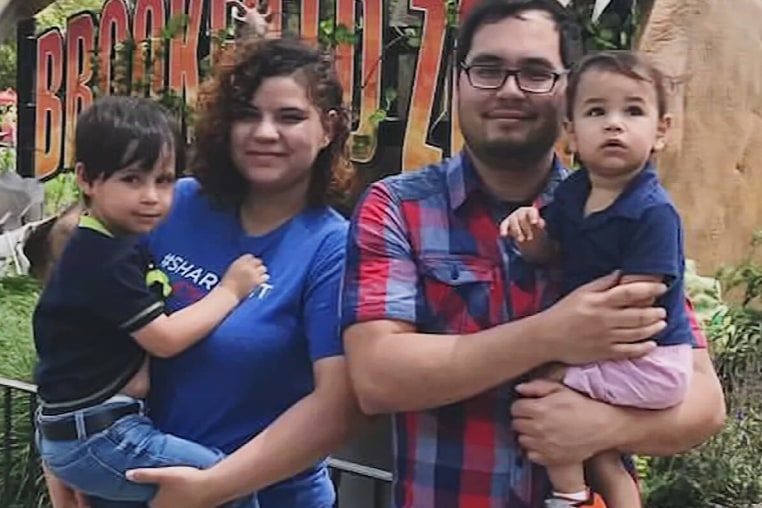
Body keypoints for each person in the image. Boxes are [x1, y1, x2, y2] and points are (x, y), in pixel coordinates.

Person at [340, 0, 726, 507]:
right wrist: (552, 334)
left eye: (536, 73)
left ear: (568, 94)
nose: (509, 90)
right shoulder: (397, 208)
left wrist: (605, 425)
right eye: (488, 69)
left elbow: (704, 402)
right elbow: (378, 378)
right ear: (458, 81)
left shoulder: (621, 209)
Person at [42, 31, 362, 508]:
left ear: (329, 128)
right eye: (248, 114)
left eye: (290, 116)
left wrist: (214, 487)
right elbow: (75, 317)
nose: (265, 132)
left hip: (260, 496)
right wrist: (62, 452)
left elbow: (337, 408)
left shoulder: (332, 249)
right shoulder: (170, 203)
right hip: (127, 482)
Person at [33, 96, 265, 508]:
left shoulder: (112, 242)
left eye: (164, 180)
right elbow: (165, 339)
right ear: (86, 179)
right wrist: (230, 290)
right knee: (226, 483)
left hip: (87, 429)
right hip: (100, 436)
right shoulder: (102, 258)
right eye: (131, 180)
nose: (151, 197)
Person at [500, 50, 692, 508]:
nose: (613, 124)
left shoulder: (652, 212)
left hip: (651, 357)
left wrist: (568, 339)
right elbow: (552, 249)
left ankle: (568, 496)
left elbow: (642, 294)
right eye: (595, 111)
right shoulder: (573, 193)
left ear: (660, 131)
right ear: (570, 132)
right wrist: (533, 239)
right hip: (612, 349)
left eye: (633, 111)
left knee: (546, 384)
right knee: (603, 451)